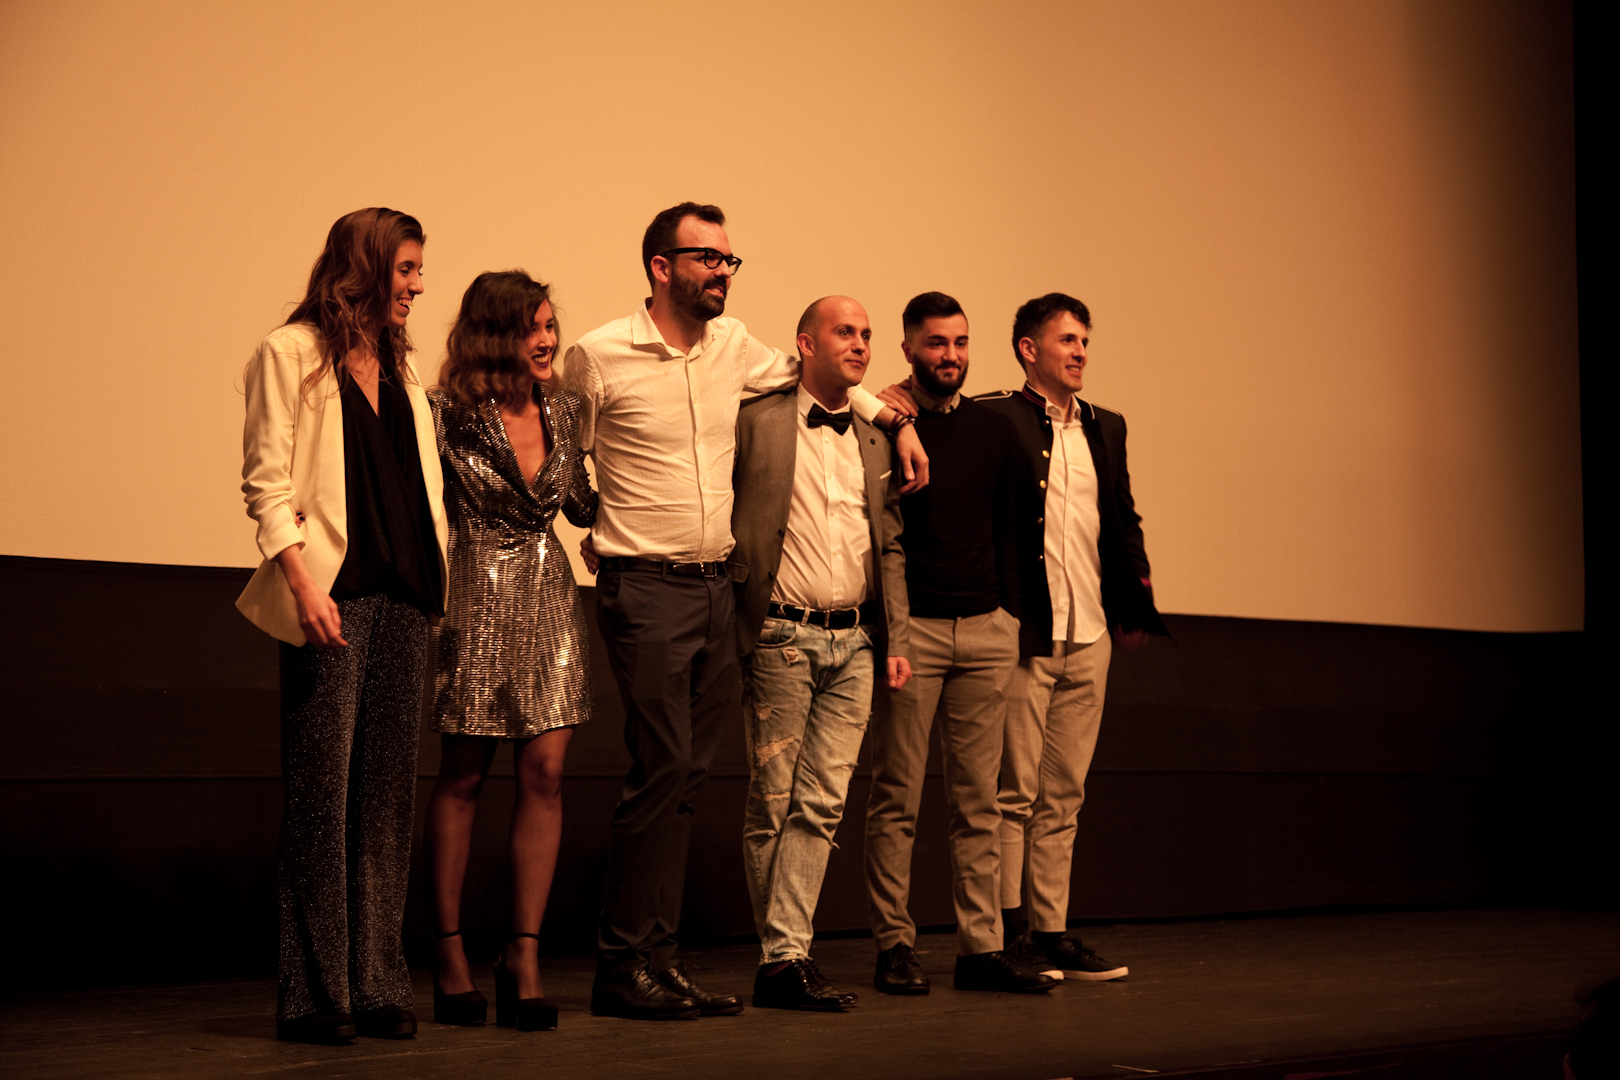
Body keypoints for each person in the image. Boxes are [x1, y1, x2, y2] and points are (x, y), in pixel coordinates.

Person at [563, 201, 928, 1021]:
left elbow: (820, 378)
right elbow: (564, 455)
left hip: (716, 590)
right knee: (660, 772)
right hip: (645, 586)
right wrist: (600, 522)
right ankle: (621, 965)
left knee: (689, 780)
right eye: (708, 258)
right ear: (662, 266)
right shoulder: (599, 354)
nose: (723, 272)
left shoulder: (736, 348)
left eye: (730, 260)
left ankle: (660, 962)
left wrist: (894, 422)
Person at [237, 208, 447, 1044]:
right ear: (363, 266)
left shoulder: (403, 369)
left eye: (420, 270)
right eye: (406, 268)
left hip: (404, 598)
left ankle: (378, 981)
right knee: (321, 799)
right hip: (332, 596)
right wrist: (301, 584)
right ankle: (315, 994)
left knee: (386, 800)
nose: (418, 285)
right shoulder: (290, 353)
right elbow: (266, 484)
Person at [864, 292, 1056, 995]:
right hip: (912, 633)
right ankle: (895, 945)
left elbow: (1013, 531)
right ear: (909, 350)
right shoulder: (884, 423)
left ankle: (981, 949)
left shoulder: (994, 431)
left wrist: (1007, 619)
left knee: (979, 803)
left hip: (985, 631)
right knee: (897, 797)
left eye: (961, 342)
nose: (951, 356)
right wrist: (884, 409)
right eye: (936, 343)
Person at [422, 271, 598, 1032]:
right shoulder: (446, 413)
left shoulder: (567, 408)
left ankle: (522, 955)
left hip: (549, 593)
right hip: (475, 594)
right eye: (533, 327)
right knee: (463, 775)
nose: (548, 340)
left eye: (551, 325)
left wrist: (614, 524)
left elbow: (581, 501)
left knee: (546, 772)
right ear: (495, 335)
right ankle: (448, 954)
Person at [976, 293, 1166, 982]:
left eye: (1085, 340)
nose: (1080, 351)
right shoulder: (995, 417)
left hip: (1090, 634)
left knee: (1064, 796)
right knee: (1013, 796)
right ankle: (1008, 935)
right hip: (1027, 633)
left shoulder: (1106, 426)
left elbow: (1123, 519)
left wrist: (1136, 601)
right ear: (1029, 349)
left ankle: (1052, 932)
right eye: (1067, 340)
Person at [731, 296, 913, 1011]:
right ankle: (784, 958)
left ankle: (784, 959)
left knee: (823, 805)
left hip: (858, 641)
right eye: (845, 332)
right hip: (781, 635)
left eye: (867, 334)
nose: (861, 344)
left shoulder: (876, 437)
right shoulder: (759, 419)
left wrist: (895, 637)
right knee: (773, 803)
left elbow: (889, 543)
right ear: (805, 344)